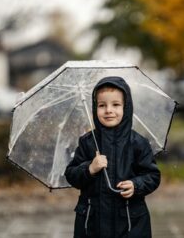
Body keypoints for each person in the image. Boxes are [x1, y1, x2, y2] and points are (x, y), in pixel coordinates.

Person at [65, 76, 160, 238]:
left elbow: (152, 175)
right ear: (95, 108)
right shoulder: (88, 142)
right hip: (92, 223)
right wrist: (90, 169)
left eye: (116, 105)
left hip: (130, 223)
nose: (109, 110)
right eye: (102, 105)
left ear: (126, 107)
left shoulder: (137, 143)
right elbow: (71, 175)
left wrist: (136, 185)